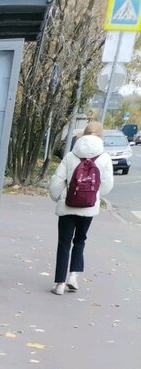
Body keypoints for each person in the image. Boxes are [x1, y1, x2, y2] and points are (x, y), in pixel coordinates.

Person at [48, 121, 113, 294]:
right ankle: (73, 277)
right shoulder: (104, 158)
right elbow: (107, 186)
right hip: (88, 207)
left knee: (64, 243)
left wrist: (58, 197)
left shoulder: (71, 155)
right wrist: (93, 196)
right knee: (80, 240)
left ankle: (59, 284)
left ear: (83, 134)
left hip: (68, 205)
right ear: (101, 136)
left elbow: (57, 181)